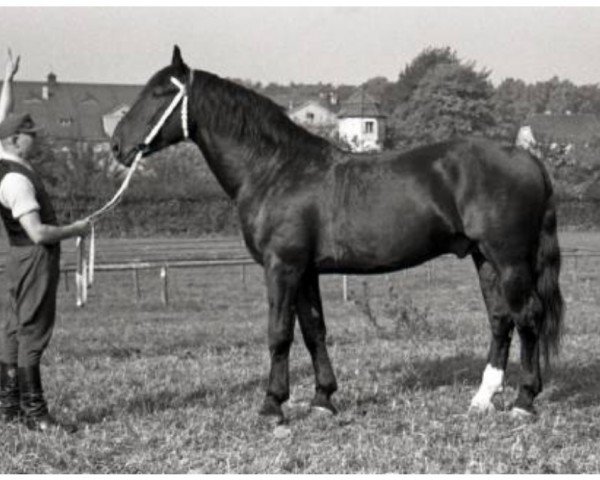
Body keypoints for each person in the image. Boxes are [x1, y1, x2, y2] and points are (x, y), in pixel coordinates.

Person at [0, 50, 90, 433]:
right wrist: (76, 229)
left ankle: (8, 408)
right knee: (33, 330)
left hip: (14, 257)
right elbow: (38, 232)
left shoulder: (1, 154)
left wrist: (8, 77)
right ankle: (35, 414)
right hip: (33, 255)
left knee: (11, 328)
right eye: (31, 137)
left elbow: (2, 111)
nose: (36, 142)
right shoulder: (16, 181)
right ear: (17, 140)